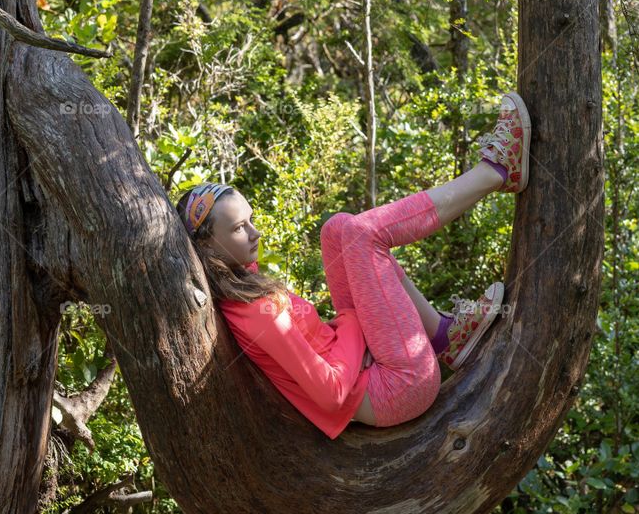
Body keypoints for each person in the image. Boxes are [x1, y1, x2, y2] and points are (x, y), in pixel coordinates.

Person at [176, 92, 531, 437]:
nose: (255, 233)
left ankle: (444, 336)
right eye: (239, 228)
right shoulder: (255, 312)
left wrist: (349, 338)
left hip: (367, 367)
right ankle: (495, 172)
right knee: (362, 234)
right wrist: (351, 326)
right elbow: (331, 393)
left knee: (338, 229)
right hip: (396, 389)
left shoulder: (241, 285)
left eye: (250, 220)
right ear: (207, 244)